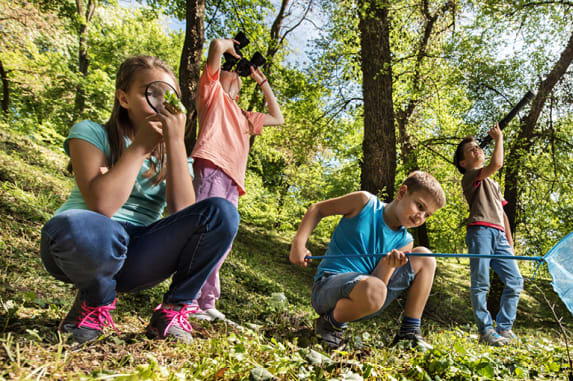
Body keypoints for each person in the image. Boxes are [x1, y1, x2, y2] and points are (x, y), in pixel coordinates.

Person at [39, 55, 239, 345]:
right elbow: (103, 206)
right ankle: (93, 304)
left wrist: (174, 143)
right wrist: (141, 147)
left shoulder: (173, 155)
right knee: (77, 226)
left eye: (170, 98)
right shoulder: (90, 132)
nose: (162, 105)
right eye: (152, 93)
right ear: (123, 98)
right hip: (81, 241)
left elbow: (184, 212)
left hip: (137, 255)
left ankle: (172, 312)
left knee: (222, 212)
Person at [289, 171, 446, 350]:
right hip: (328, 288)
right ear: (402, 193)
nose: (421, 217)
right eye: (419, 206)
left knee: (425, 257)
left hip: (367, 296)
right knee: (375, 289)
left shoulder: (405, 241)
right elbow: (318, 209)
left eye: (427, 215)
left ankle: (409, 331)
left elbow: (378, 285)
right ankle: (330, 324)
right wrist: (299, 243)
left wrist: (388, 265)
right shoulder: (364, 203)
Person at [189, 38, 284, 322]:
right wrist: (229, 49)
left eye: (236, 73)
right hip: (211, 167)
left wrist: (261, 79)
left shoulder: (245, 117)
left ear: (240, 90)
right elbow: (216, 47)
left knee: (221, 242)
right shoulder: (212, 96)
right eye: (228, 70)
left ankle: (207, 301)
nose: (232, 73)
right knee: (201, 234)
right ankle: (188, 298)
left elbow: (278, 118)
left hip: (233, 181)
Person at [453, 123, 524, 346]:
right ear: (463, 163)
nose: (477, 150)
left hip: (499, 236)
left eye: (478, 147)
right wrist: (499, 139)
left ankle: (504, 329)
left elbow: (503, 215)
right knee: (481, 283)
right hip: (480, 231)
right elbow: (497, 163)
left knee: (515, 280)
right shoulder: (471, 176)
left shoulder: (493, 183)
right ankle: (485, 330)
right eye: (471, 150)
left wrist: (510, 244)